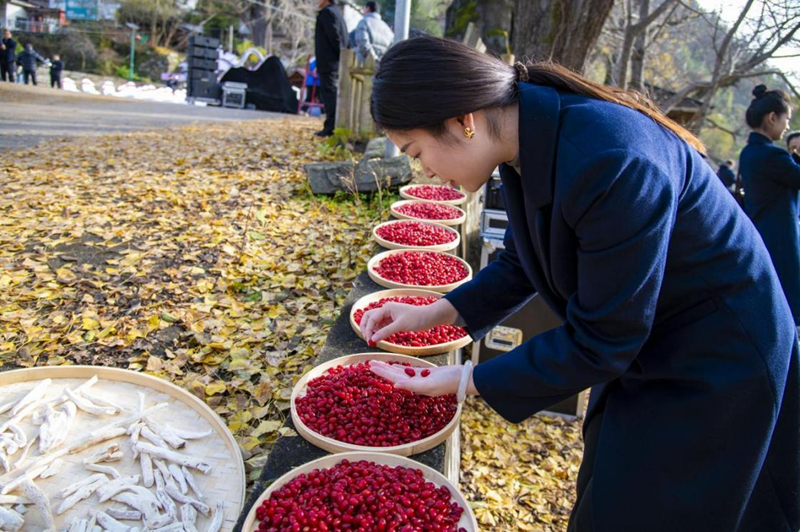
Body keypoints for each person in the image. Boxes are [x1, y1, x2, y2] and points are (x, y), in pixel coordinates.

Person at [361, 36, 799, 532]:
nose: (426, 172)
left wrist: (465, 380)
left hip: (718, 365)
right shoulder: (529, 140)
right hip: (648, 344)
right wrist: (433, 313)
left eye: (417, 152)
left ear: (464, 119)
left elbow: (604, 338)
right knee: (606, 497)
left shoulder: (611, 160)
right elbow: (527, 260)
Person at [739, 85, 800, 327]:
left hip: (761, 232)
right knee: (788, 310)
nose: (787, 126)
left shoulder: (748, 153)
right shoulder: (773, 156)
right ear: (772, 117)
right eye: (786, 119)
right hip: (781, 239)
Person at [314, 0, 348, 137]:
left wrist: (339, 56)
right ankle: (331, 125)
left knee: (330, 94)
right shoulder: (336, 12)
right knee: (330, 94)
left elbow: (335, 36)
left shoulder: (328, 13)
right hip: (333, 62)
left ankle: (331, 127)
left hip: (329, 62)